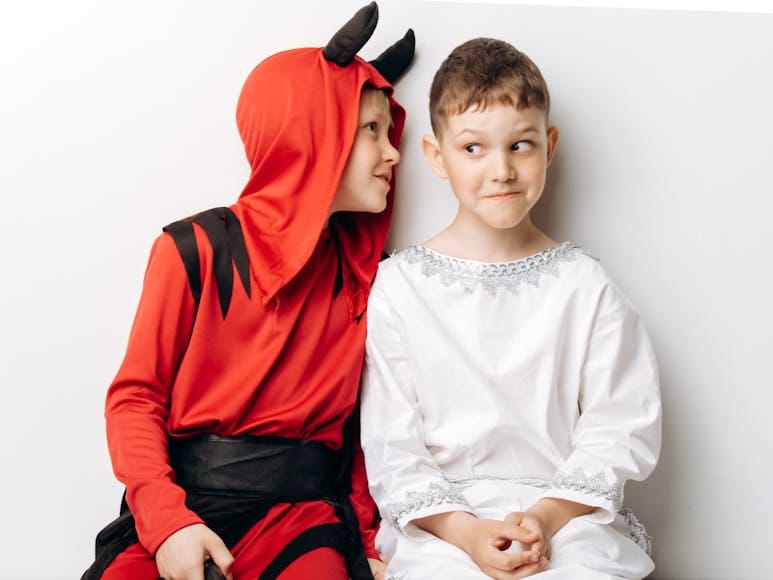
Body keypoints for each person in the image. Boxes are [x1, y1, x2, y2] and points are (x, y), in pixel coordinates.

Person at [81, 4, 414, 579]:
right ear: (313, 130)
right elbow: (134, 400)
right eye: (370, 130)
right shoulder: (192, 250)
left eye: (390, 131)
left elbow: (365, 432)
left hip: (302, 517)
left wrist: (369, 542)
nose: (393, 152)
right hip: (183, 506)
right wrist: (168, 524)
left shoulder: (368, 278)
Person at [360, 37, 661, 580]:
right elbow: (392, 446)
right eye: (473, 148)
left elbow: (618, 430)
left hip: (567, 519)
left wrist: (545, 519)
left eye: (520, 145)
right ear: (436, 156)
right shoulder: (399, 289)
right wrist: (469, 533)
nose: (501, 170)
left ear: (549, 146)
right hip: (446, 526)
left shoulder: (585, 286)